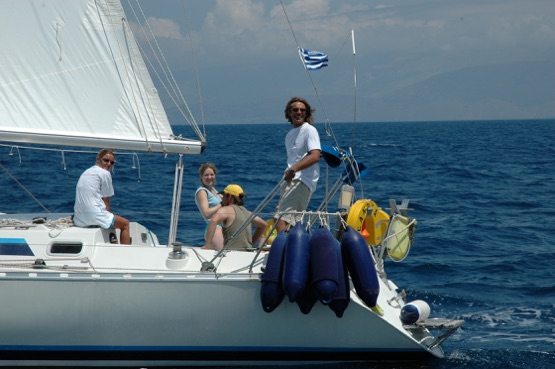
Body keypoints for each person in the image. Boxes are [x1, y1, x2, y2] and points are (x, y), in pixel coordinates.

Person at [275, 97, 321, 232]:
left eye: (302, 110)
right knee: (290, 221)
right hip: (290, 181)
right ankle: (292, 249)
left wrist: (293, 169)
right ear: (289, 113)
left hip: (301, 180)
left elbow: (315, 155)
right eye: (295, 110)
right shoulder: (289, 135)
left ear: (306, 114)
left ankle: (284, 251)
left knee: (281, 219)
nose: (299, 112)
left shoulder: (309, 130)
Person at [73, 149, 131, 244]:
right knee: (125, 224)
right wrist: (107, 219)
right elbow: (106, 199)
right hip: (95, 216)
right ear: (98, 159)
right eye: (106, 160)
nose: (108, 164)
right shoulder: (105, 173)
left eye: (111, 162)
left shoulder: (86, 172)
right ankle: (126, 253)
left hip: (79, 219)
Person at [205, 184, 267, 251]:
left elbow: (213, 221)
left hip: (231, 254)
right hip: (248, 253)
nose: (222, 198)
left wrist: (208, 245)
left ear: (230, 197)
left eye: (224, 195)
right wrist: (251, 243)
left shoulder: (226, 209)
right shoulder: (248, 213)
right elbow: (263, 225)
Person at [194, 163, 224, 250]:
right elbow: (206, 213)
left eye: (212, 174)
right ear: (201, 177)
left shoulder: (213, 189)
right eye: (206, 175)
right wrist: (222, 204)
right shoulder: (202, 191)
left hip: (223, 226)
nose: (209, 177)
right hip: (214, 228)